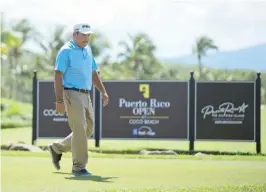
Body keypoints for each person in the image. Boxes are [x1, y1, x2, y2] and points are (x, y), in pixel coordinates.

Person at [48, 23, 109, 176]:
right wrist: (59, 100)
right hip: (71, 93)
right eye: (83, 34)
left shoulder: (88, 50)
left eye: (88, 35)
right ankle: (78, 167)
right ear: (74, 34)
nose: (86, 38)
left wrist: (103, 91)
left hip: (85, 94)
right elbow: (57, 75)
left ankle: (57, 148)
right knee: (80, 129)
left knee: (88, 128)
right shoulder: (66, 51)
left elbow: (93, 72)